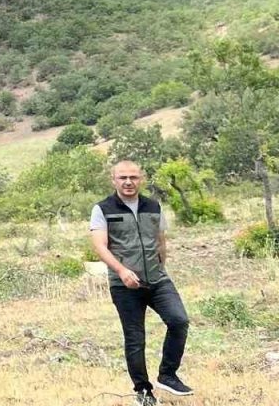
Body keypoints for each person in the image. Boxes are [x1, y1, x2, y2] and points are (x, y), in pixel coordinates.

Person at [90, 161, 193, 405]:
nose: (128, 182)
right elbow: (99, 246)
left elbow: (160, 240)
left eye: (133, 177)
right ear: (113, 179)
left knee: (179, 321)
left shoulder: (153, 206)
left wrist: (161, 266)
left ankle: (168, 375)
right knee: (135, 338)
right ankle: (143, 391)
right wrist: (121, 270)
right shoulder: (102, 209)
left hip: (157, 279)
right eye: (123, 177)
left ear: (141, 179)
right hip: (124, 285)